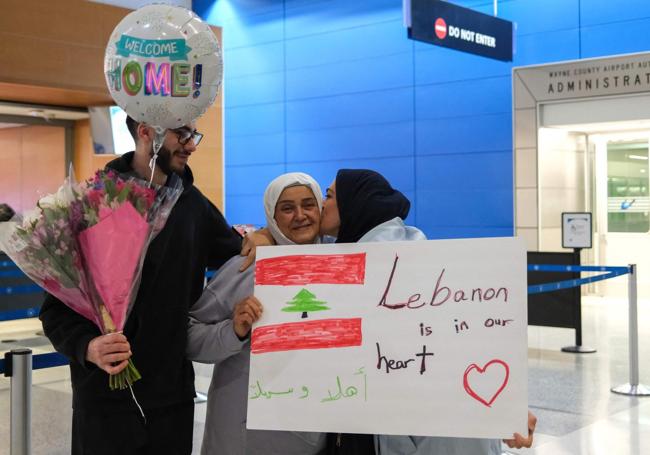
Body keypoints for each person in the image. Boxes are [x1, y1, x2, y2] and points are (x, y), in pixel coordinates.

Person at [39, 116, 243, 455]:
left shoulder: (194, 207)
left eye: (193, 135)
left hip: (171, 399)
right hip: (103, 398)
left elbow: (237, 254)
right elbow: (55, 309)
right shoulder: (94, 203)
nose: (191, 145)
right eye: (182, 135)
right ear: (147, 132)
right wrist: (88, 347)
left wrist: (260, 240)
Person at [319, 169, 537, 455]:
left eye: (330, 195)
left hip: (428, 433)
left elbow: (463, 337)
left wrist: (505, 405)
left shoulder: (404, 266)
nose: (323, 203)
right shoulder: (355, 258)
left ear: (355, 204)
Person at [187, 172, 327, 455]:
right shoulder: (247, 267)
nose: (300, 215)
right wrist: (234, 331)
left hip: (311, 428)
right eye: (287, 208)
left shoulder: (340, 261)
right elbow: (188, 336)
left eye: (308, 205)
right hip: (247, 432)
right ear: (272, 217)